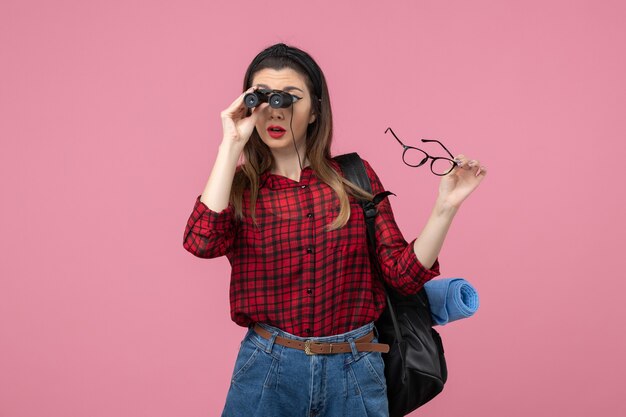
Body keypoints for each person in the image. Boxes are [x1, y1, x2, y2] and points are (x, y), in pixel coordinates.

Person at [183, 43, 486, 417]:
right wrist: (231, 144)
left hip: (355, 370)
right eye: (262, 97)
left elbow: (401, 276)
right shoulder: (238, 186)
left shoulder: (354, 177)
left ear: (314, 111)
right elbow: (201, 241)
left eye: (290, 98)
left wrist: (446, 207)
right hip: (267, 369)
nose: (274, 110)